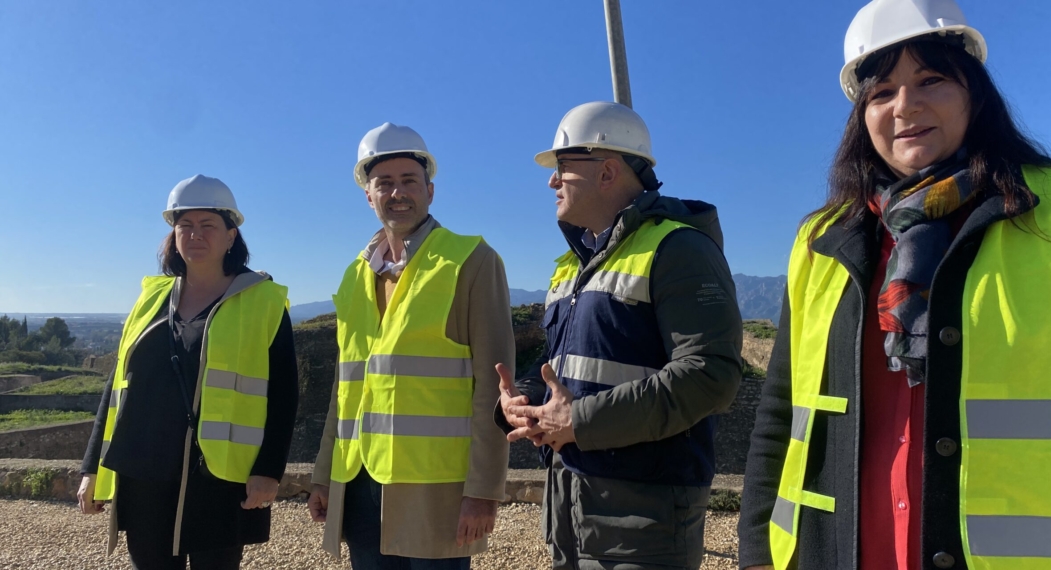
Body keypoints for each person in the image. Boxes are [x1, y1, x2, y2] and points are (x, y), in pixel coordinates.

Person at [737, 0, 1051, 568]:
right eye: (881, 93)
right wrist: (757, 551)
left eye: (931, 80)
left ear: (973, 93)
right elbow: (781, 412)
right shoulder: (823, 241)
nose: (906, 106)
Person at [498, 101, 743, 570]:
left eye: (564, 167)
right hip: (572, 512)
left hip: (643, 520)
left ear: (608, 171)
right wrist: (524, 401)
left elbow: (710, 375)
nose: (552, 181)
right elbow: (565, 365)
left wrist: (579, 421)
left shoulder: (680, 248)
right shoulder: (573, 266)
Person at [307, 123, 513, 570]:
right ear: (368, 195)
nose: (397, 193)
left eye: (409, 182)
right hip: (359, 483)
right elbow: (344, 392)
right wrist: (324, 475)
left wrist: (483, 491)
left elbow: (495, 390)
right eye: (385, 183)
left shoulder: (472, 261)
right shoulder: (354, 275)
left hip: (436, 491)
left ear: (430, 191)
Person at [77, 174, 299, 569]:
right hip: (145, 473)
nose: (196, 235)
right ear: (173, 235)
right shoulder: (151, 298)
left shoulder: (263, 301)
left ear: (231, 235)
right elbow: (117, 388)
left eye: (208, 225)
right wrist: (92, 468)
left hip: (218, 476)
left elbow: (283, 395)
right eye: (185, 226)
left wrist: (268, 471)